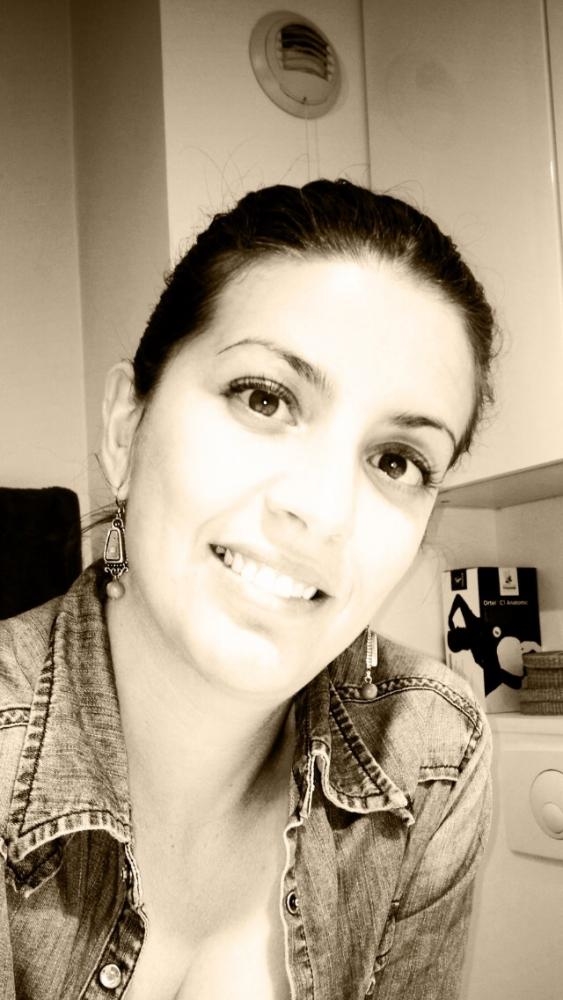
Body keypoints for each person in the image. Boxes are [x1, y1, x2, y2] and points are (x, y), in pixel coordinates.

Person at [0, 179, 495, 1000]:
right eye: (264, 398)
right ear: (125, 428)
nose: (323, 510)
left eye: (397, 461)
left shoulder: (430, 749)